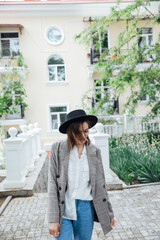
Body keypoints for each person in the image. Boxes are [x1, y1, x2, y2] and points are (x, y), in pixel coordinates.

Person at [48, 109, 115, 240]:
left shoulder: (95, 152)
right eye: (78, 132)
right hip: (64, 206)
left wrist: (109, 213)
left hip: (86, 207)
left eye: (86, 131)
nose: (83, 137)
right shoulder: (57, 149)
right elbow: (52, 185)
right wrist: (53, 218)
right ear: (69, 132)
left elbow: (101, 185)